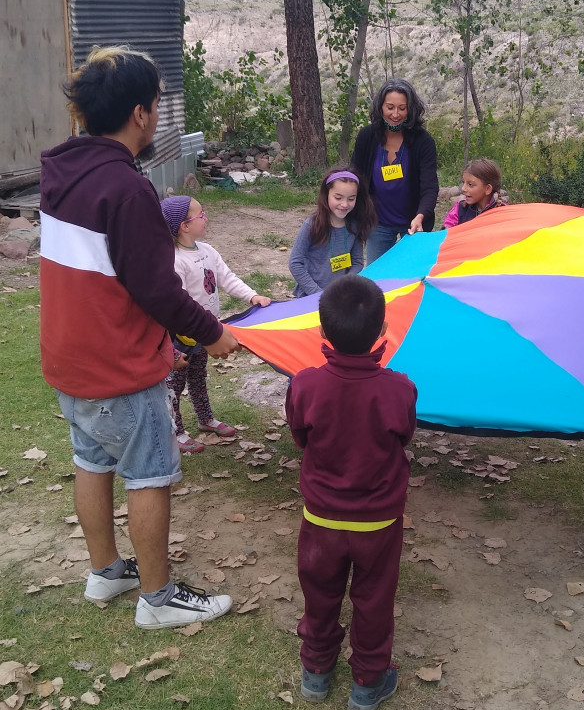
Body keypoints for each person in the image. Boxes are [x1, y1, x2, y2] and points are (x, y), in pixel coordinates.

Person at [39, 46, 240, 629]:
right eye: (155, 105)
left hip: (68, 359)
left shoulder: (61, 172)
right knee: (150, 471)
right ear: (141, 114)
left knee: (91, 461)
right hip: (118, 363)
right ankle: (158, 598)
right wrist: (211, 332)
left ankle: (105, 572)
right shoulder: (127, 191)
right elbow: (156, 289)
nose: (155, 115)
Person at [285, 275, 417, 710]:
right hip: (378, 522)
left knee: (319, 594)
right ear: (382, 332)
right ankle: (367, 683)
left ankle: (316, 673)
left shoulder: (304, 385)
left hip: (320, 519)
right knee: (374, 600)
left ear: (322, 332)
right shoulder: (400, 389)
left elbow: (301, 437)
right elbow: (404, 438)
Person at [160, 196, 271, 453]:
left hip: (206, 334)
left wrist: (252, 296)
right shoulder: (175, 261)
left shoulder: (208, 251)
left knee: (199, 378)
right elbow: (179, 303)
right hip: (182, 339)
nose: (206, 217)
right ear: (184, 226)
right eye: (201, 215)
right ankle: (175, 431)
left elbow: (227, 278)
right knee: (174, 385)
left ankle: (205, 419)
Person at [351, 79, 439, 264]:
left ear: (411, 110)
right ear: (380, 107)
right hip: (378, 221)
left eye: (402, 108)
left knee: (414, 277)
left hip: (414, 224)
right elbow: (355, 177)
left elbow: (429, 187)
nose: (396, 114)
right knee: (379, 278)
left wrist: (421, 215)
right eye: (390, 107)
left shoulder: (423, 141)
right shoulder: (367, 136)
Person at [289, 166, 376, 298]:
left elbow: (357, 261)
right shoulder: (311, 225)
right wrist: (317, 294)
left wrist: (344, 286)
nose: (344, 204)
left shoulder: (355, 226)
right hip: (310, 297)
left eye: (351, 199)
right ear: (326, 194)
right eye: (338, 197)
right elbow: (295, 263)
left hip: (339, 297)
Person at [443, 158, 505, 229]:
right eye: (463, 182)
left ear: (487, 189)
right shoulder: (460, 209)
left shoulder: (503, 213)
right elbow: (445, 233)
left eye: (470, 184)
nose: (463, 188)